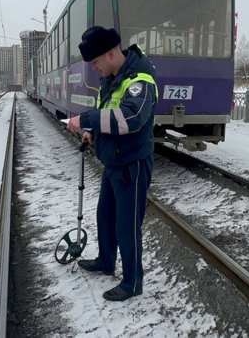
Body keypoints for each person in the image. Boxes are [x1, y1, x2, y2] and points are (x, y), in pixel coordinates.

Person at [66, 26, 158, 302]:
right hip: (113, 160)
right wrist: (90, 133)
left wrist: (87, 120)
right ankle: (106, 261)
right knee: (105, 217)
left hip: (133, 162)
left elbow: (131, 119)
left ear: (110, 54)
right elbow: (107, 114)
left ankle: (132, 282)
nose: (94, 68)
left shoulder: (140, 79)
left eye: (95, 62)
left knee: (127, 226)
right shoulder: (111, 78)